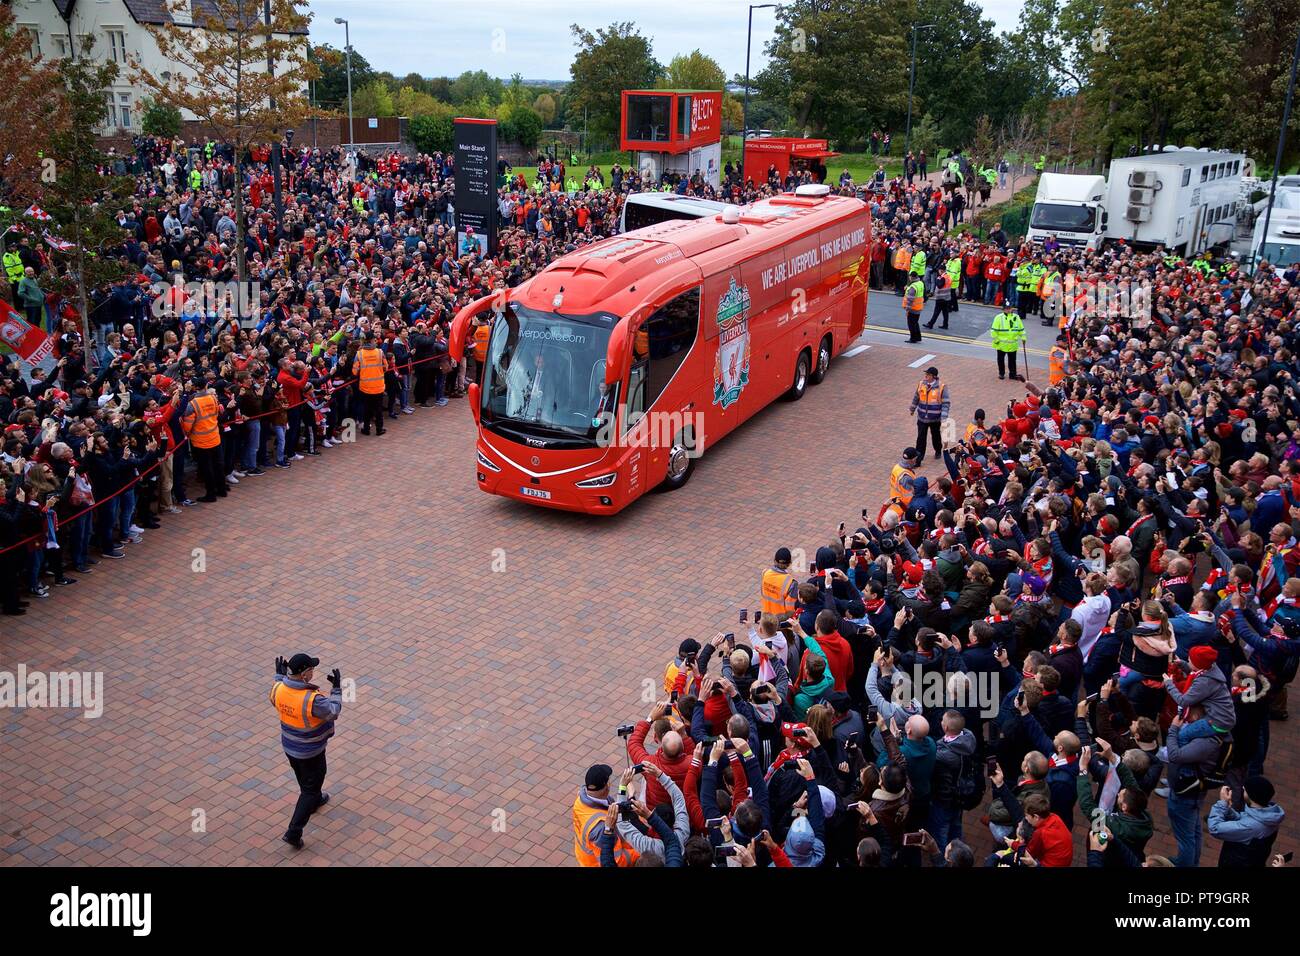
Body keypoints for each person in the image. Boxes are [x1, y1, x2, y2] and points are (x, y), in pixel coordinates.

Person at [270, 653, 343, 849]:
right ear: (303, 674)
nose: (313, 673)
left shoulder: (278, 688)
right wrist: (336, 689)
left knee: (304, 778)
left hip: (290, 747)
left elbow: (275, 696)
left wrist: (279, 678)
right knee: (309, 788)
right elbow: (333, 711)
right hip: (311, 751)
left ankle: (316, 798)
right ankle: (293, 832)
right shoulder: (312, 699)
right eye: (311, 670)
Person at [908, 366, 950, 461]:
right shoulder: (921, 384)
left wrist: (943, 417)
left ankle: (938, 450)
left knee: (936, 436)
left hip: (935, 418)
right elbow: (916, 397)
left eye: (928, 374)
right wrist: (912, 408)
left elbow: (946, 403)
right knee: (920, 439)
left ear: (934, 376)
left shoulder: (941, 387)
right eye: (926, 374)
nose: (926, 376)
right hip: (922, 417)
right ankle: (918, 459)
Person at [355, 334, 387, 436]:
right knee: (378, 409)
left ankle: (366, 429)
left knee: (367, 409)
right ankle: (379, 429)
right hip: (378, 385)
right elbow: (386, 367)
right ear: (372, 340)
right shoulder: (380, 352)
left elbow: (355, 371)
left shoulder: (359, 354)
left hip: (365, 387)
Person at [990, 307, 1025, 381]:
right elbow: (993, 331)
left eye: (1009, 308)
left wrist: (1023, 336)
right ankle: (1001, 373)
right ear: (1003, 310)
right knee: (1000, 359)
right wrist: (996, 340)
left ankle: (1012, 374)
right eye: (1006, 309)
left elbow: (1021, 328)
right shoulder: (999, 317)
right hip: (1001, 344)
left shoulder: (1016, 317)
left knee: (1012, 360)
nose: (1008, 310)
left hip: (1013, 344)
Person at [902, 272, 925, 343]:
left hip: (913, 308)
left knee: (911, 324)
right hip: (918, 307)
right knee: (915, 323)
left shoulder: (913, 287)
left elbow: (910, 300)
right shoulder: (920, 283)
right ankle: (918, 337)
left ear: (911, 277)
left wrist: (907, 310)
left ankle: (913, 338)